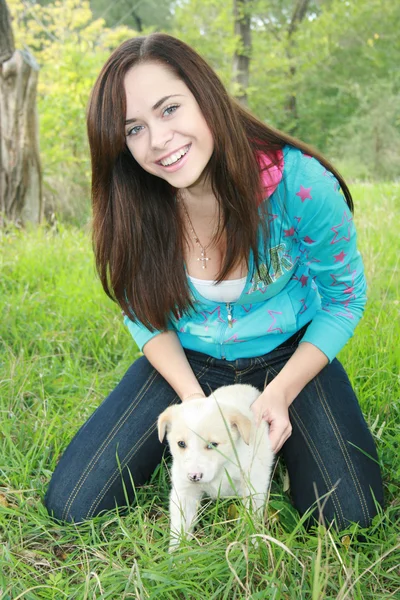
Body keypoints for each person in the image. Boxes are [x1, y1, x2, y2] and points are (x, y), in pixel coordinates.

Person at [45, 33, 383, 529]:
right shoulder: (135, 203)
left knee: (352, 515)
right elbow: (141, 312)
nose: (158, 141)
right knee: (74, 502)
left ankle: (268, 444)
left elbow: (344, 300)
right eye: (133, 128)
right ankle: (203, 445)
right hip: (191, 359)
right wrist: (191, 401)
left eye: (169, 109)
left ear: (205, 94)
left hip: (289, 354)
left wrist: (282, 392)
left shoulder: (300, 184)